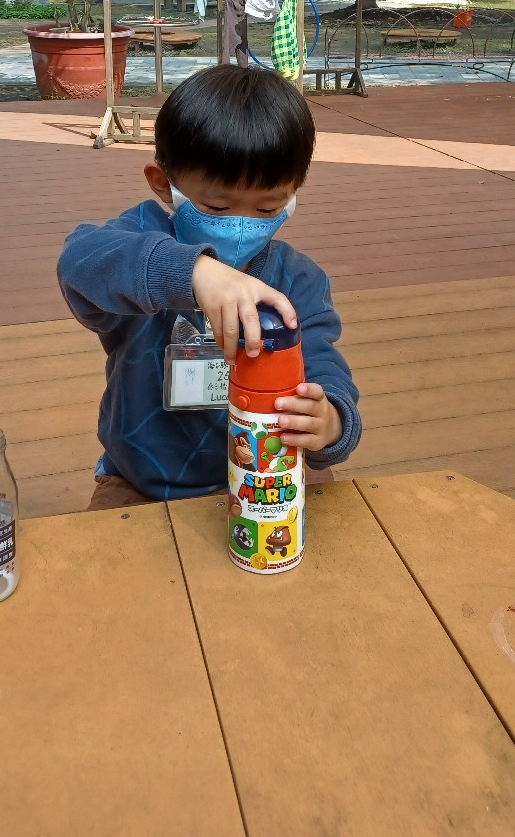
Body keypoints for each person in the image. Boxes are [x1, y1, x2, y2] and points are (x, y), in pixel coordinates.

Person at [57, 65, 361, 510]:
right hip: (140, 481)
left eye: (267, 207)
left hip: (270, 475)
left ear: (294, 192)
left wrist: (330, 419)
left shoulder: (296, 279)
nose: (241, 223)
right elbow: (79, 262)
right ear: (164, 185)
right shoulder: (143, 237)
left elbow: (321, 363)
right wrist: (193, 272)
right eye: (217, 206)